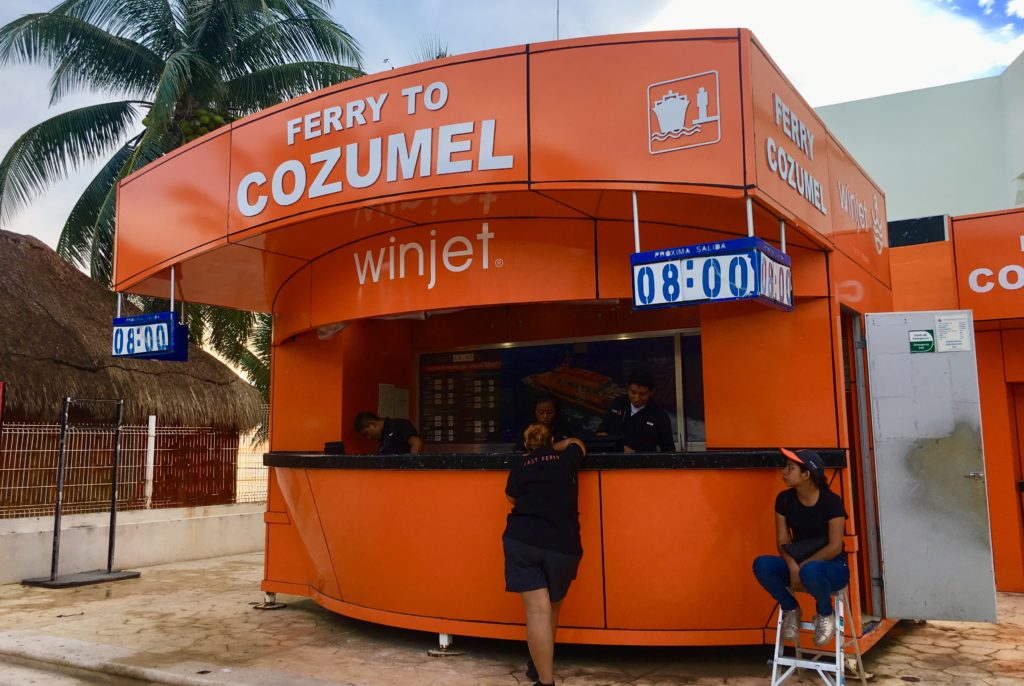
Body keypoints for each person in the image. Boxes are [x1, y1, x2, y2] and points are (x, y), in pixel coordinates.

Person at [503, 423, 587, 686]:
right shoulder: (566, 460)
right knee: (551, 608)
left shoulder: (520, 466)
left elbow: (511, 498)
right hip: (563, 544)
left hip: (523, 539)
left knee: (537, 613)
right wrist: (555, 447)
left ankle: (545, 679)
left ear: (527, 445)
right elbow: (578, 443)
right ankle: (539, 665)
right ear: (552, 441)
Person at [752, 448, 849, 646]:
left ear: (807, 474)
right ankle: (791, 608)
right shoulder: (784, 499)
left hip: (833, 568)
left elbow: (835, 546)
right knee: (762, 564)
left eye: (790, 467)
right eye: (786, 466)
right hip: (798, 565)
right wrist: (792, 566)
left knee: (811, 570)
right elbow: (782, 541)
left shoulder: (832, 502)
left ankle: (825, 613)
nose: (784, 471)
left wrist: (802, 566)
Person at [595, 369, 674, 453]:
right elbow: (601, 432)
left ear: (651, 392)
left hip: (643, 463)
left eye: (642, 394)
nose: (636, 398)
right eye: (633, 392)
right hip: (612, 461)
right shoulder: (618, 403)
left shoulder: (659, 415)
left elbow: (668, 451)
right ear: (627, 388)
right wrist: (616, 447)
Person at [353, 412, 423, 455]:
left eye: (366, 433)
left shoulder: (399, 425)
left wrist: (410, 466)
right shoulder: (383, 436)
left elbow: (417, 443)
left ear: (372, 424)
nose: (369, 437)